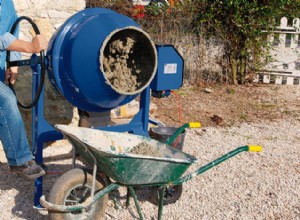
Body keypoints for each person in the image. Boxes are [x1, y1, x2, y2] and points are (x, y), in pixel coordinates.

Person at [0, 0, 47, 179]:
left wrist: (14, 63)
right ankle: (20, 161)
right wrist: (28, 47)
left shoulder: (7, 3)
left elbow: (13, 30)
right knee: (5, 100)